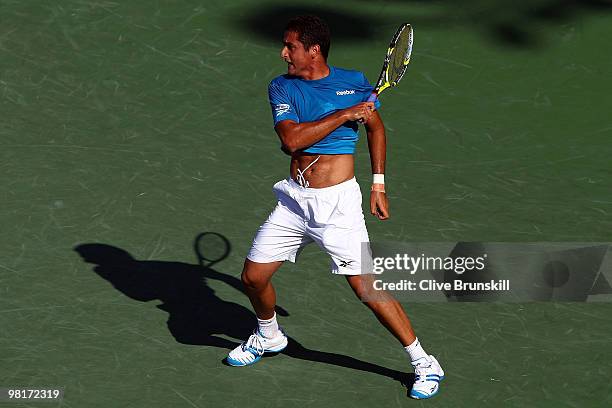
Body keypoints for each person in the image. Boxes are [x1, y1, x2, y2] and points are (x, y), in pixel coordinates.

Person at [226, 15, 444, 399]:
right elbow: (291, 140)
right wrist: (345, 113)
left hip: (338, 206)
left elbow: (376, 129)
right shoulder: (282, 86)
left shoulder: (355, 83)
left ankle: (425, 363)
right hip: (295, 200)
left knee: (366, 289)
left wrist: (379, 183)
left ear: (313, 50)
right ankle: (269, 335)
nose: (283, 53)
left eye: (289, 46)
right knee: (253, 277)